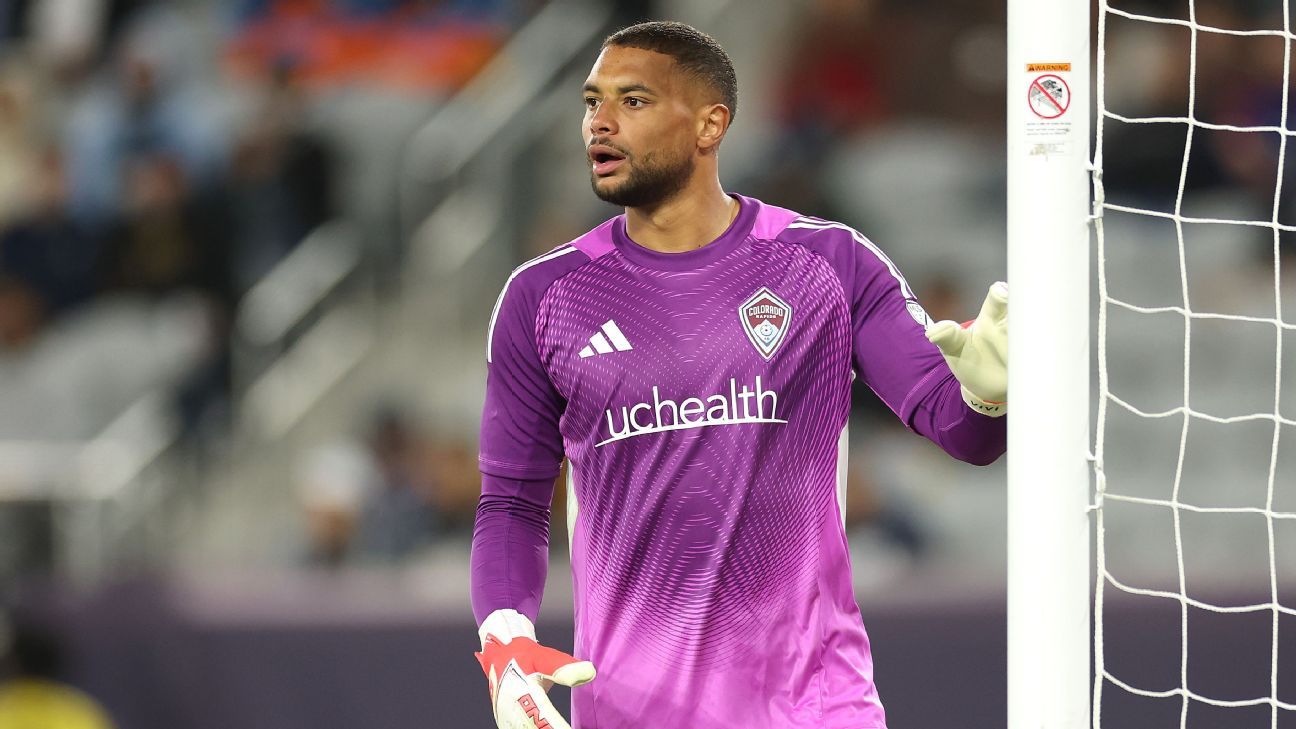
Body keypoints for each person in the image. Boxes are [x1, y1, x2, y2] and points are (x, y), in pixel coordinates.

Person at [470, 21, 1007, 729]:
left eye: (633, 101)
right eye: (592, 101)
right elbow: (511, 504)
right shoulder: (543, 297)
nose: (599, 121)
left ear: (710, 124)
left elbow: (965, 435)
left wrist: (988, 397)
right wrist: (505, 643)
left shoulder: (828, 264)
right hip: (629, 713)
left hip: (814, 710)